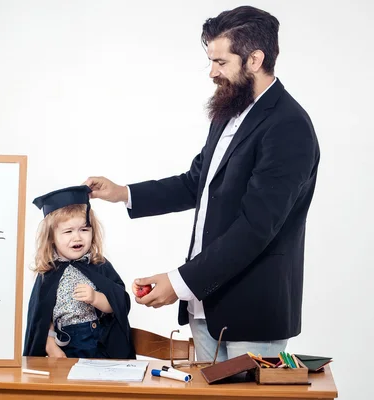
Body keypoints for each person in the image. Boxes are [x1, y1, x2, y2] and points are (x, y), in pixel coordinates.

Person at [84, 6, 320, 362]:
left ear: (255, 59)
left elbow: (256, 228)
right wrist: (123, 194)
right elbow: (198, 182)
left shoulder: (289, 126)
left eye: (221, 62)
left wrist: (178, 283)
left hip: (251, 315)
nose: (212, 72)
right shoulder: (229, 112)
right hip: (205, 307)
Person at [23, 185, 135, 359]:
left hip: (100, 344)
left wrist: (95, 298)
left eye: (84, 229)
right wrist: (51, 346)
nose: (77, 237)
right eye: (68, 231)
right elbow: (43, 319)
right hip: (66, 347)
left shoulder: (99, 264)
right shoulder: (49, 273)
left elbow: (117, 304)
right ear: (52, 237)